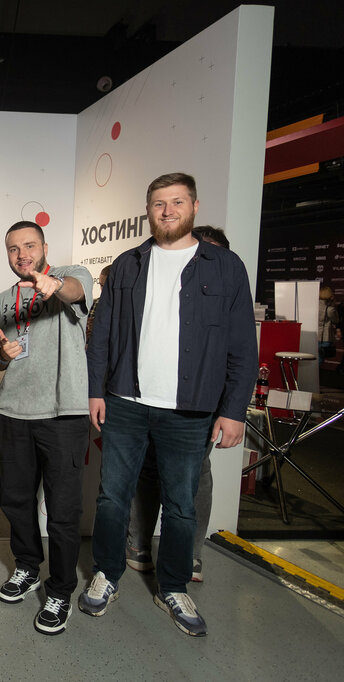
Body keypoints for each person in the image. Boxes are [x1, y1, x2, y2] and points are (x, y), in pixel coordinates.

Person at [80, 173, 257, 637]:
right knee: (112, 498)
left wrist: (234, 410)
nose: (168, 211)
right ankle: (107, 573)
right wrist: (96, 391)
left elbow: (242, 345)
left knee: (181, 505)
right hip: (125, 401)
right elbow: (102, 336)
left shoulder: (226, 267)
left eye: (177, 202)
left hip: (190, 409)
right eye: (159, 203)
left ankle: (174, 586)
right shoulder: (128, 264)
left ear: (194, 207)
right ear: (148, 210)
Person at [0, 220, 93, 635]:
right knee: (15, 501)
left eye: (29, 246)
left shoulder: (72, 276)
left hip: (62, 414)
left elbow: (75, 291)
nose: (22, 255)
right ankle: (28, 567)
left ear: (45, 246)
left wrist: (55, 285)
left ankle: (60, 590)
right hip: (14, 411)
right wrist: (2, 354)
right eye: (14, 249)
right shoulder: (3, 300)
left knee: (63, 511)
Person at [125, 225, 230, 583]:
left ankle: (190, 555)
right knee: (147, 469)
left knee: (194, 476)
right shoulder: (160, 287)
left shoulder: (227, 293)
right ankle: (138, 544)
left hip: (200, 404)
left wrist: (230, 411)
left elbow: (239, 353)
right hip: (149, 397)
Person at [318, 285, 339, 364]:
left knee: (316, 358)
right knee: (320, 358)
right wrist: (333, 304)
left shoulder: (314, 306)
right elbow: (336, 320)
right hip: (325, 337)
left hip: (314, 336)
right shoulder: (330, 309)